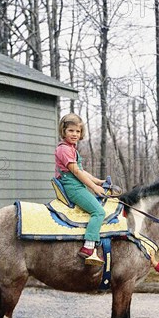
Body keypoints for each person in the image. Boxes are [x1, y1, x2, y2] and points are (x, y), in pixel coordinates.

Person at [55, 113, 106, 266]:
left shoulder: (72, 149)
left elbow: (81, 171)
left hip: (77, 184)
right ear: (63, 131)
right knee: (99, 212)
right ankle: (89, 246)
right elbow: (76, 172)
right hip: (73, 187)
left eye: (77, 131)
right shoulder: (64, 149)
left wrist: (98, 181)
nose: (74, 134)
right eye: (71, 131)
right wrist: (94, 188)